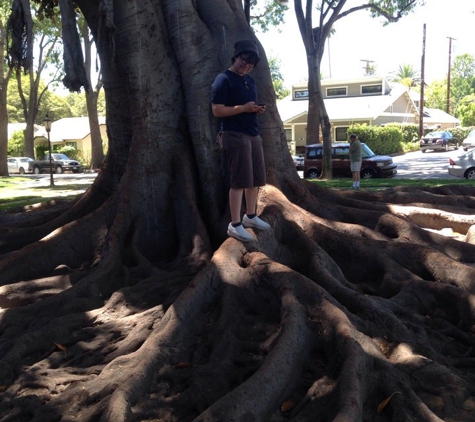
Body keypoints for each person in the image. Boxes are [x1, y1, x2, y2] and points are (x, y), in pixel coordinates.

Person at [211, 40, 270, 242]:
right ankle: (235, 224)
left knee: (255, 179)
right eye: (245, 60)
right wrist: (242, 108)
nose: (247, 66)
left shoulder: (250, 81)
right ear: (236, 56)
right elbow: (217, 110)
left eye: (251, 64)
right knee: (239, 181)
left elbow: (247, 106)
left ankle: (250, 216)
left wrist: (255, 109)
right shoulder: (223, 79)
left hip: (253, 134)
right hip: (234, 134)